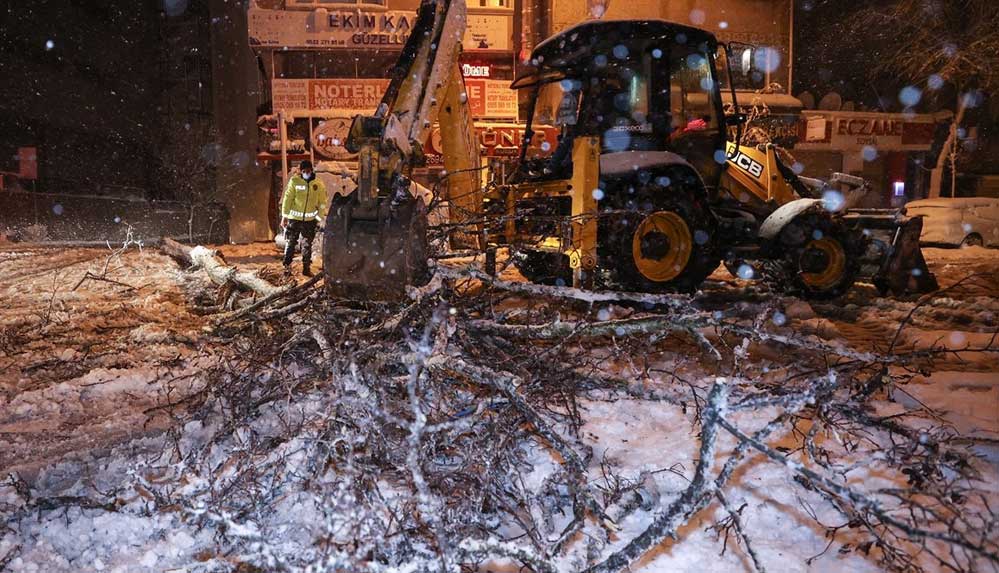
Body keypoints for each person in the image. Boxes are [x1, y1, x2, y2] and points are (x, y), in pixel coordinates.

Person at [280, 160, 327, 277]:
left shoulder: (318, 184)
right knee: (290, 243)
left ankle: (306, 268)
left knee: (307, 245)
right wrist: (285, 216)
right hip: (294, 219)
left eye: (308, 171)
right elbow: (287, 199)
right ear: (300, 171)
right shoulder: (294, 181)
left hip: (309, 221)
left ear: (312, 170)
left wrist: (318, 217)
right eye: (304, 171)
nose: (306, 173)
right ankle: (287, 267)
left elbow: (322, 202)